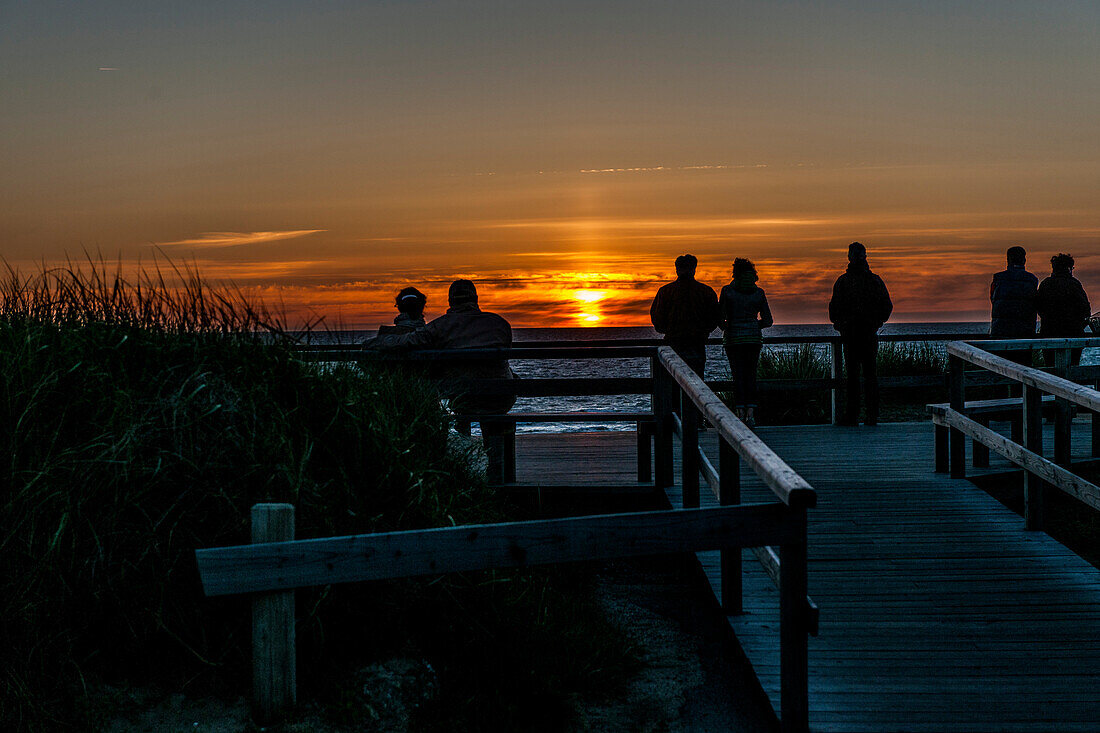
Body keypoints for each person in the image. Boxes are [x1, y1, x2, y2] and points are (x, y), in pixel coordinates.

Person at [365, 279, 516, 480]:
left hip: (463, 399)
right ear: (476, 299)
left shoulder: (441, 327)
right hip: (501, 398)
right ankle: (497, 471)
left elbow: (407, 341)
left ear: (450, 301)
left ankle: (464, 469)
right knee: (496, 392)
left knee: (466, 395)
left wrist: (376, 342)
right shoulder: (499, 323)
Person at [828, 242, 893, 426]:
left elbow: (833, 309)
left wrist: (841, 324)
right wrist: (876, 322)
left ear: (849, 257)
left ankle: (853, 415)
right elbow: (886, 306)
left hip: (853, 334)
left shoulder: (844, 281)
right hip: (864, 333)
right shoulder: (873, 281)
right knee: (869, 376)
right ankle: (870, 415)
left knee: (854, 377)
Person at [719, 258, 773, 427]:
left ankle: (740, 413)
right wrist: (754, 325)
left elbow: (720, 319)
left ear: (735, 272)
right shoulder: (758, 293)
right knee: (751, 376)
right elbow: (768, 320)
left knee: (738, 376)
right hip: (753, 339)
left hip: (734, 339)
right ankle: (751, 415)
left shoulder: (727, 291)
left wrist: (730, 325)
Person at [649, 254, 720, 377]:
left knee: (672, 381)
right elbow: (715, 317)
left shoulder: (665, 291)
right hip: (697, 343)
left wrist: (668, 329)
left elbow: (657, 317)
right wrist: (704, 331)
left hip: (673, 341)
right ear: (694, 269)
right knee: (695, 382)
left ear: (677, 269)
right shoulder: (705, 291)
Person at [1036, 253, 1091, 367]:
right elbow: (1086, 309)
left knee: (1051, 369)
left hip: (1049, 334)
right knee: (1072, 368)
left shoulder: (1046, 284)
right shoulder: (1074, 284)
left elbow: (1039, 307)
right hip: (1073, 334)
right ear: (1068, 268)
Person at [989, 246, 1038, 366]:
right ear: (1024, 260)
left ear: (1008, 260)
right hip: (1025, 334)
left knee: (1001, 370)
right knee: (1023, 370)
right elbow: (1035, 302)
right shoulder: (1032, 280)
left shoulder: (998, 279)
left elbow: (993, 299)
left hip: (1000, 332)